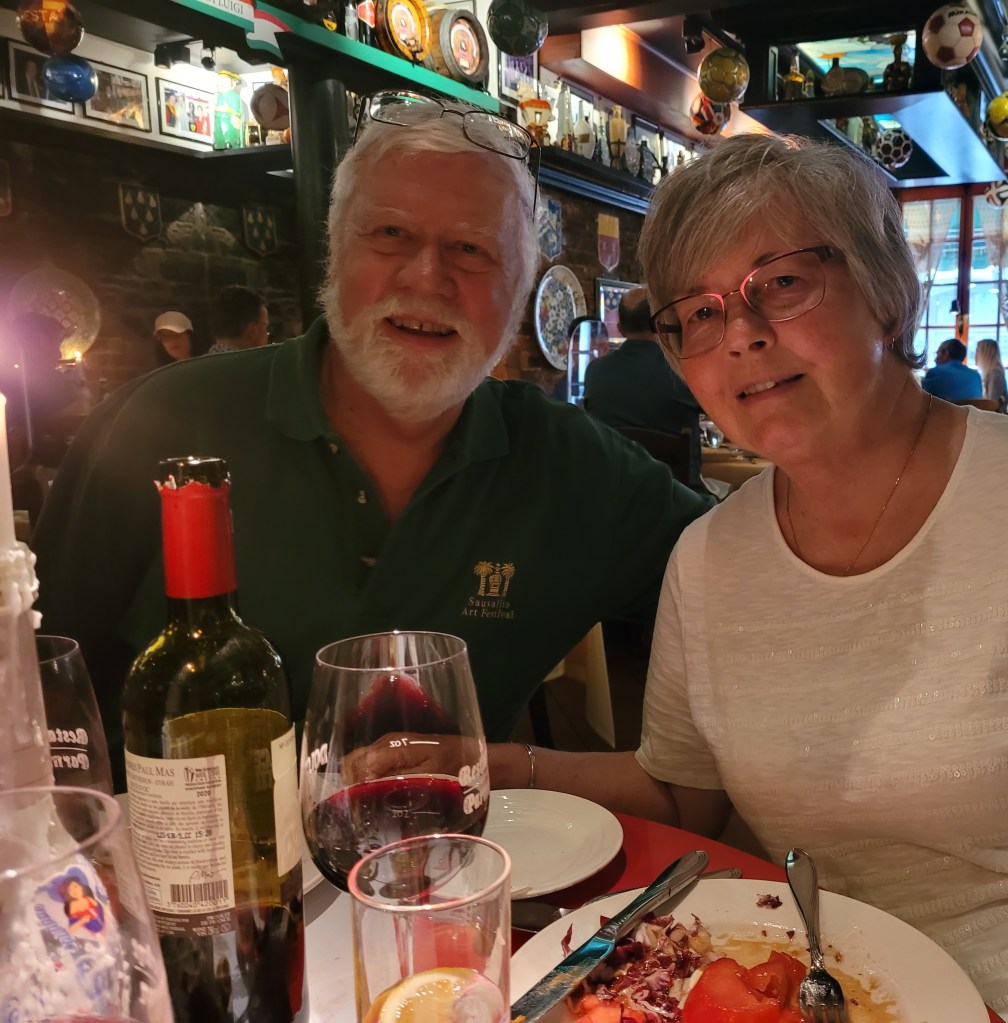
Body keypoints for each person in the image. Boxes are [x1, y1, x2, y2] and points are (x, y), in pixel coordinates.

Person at [32, 89, 713, 793]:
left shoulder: (569, 465)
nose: (427, 278)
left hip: (449, 858)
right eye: (390, 234)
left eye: (471, 249)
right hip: (171, 856)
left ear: (519, 292)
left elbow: (745, 574)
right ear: (336, 253)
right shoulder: (153, 424)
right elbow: (30, 693)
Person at [490, 134, 1008, 1013]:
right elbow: (680, 795)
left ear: (886, 293)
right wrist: (498, 764)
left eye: (783, 281)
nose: (741, 334)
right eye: (698, 312)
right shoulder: (708, 557)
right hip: (813, 985)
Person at [583, 287, 702, 486]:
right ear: (659, 324)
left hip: (609, 491)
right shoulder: (682, 371)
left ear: (620, 329)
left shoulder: (595, 371)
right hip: (677, 495)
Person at [207, 286, 270, 354]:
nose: (267, 335)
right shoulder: (260, 360)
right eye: (266, 328)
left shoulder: (201, 360)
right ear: (252, 329)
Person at [921, 337, 982, 401]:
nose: (935, 359)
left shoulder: (934, 373)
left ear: (945, 353)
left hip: (944, 408)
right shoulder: (976, 375)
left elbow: (922, 402)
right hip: (972, 408)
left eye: (937, 353)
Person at [975, 337, 1007, 411]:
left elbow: (991, 404)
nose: (975, 354)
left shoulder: (995, 374)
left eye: (977, 351)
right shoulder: (991, 372)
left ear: (985, 354)